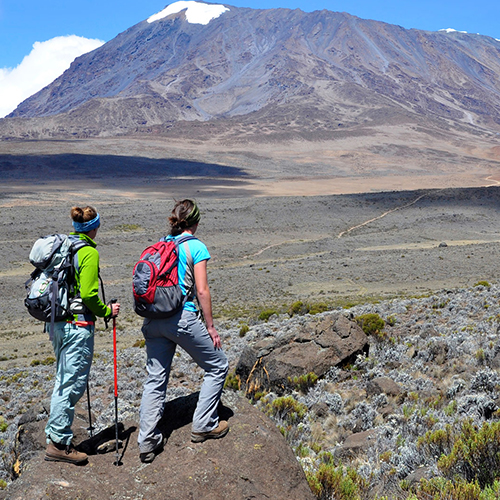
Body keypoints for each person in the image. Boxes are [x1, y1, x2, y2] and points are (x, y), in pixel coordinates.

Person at [138, 199, 229, 464]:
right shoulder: (195, 246)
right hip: (181, 318)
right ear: (196, 222)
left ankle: (146, 442)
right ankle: (204, 424)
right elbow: (202, 290)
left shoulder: (162, 243)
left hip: (153, 320)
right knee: (218, 365)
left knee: (155, 379)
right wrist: (210, 327)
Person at [45, 206, 120, 465]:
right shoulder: (87, 252)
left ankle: (57, 438)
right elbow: (88, 294)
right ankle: (58, 445)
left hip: (57, 324)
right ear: (94, 227)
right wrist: (107, 310)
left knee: (63, 380)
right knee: (71, 384)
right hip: (77, 326)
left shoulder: (65, 247)